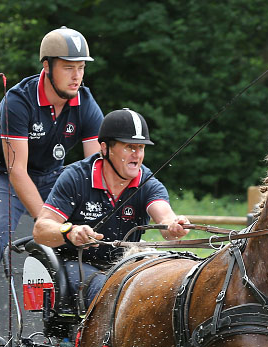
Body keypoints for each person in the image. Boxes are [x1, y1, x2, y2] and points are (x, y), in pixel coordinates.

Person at [0, 26, 103, 341]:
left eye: (81, 68)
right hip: (1, 174)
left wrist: (85, 221)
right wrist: (50, 223)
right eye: (68, 67)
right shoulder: (18, 101)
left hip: (52, 174)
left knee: (94, 231)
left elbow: (93, 166)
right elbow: (18, 172)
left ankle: (74, 329)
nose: (76, 76)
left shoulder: (84, 101)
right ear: (47, 66)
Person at [32, 108, 190, 306]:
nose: (137, 155)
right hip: (78, 264)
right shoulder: (76, 177)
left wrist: (174, 225)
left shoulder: (147, 182)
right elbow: (40, 229)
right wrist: (70, 232)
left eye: (141, 148)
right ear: (105, 149)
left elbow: (165, 220)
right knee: (113, 290)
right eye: (129, 147)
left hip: (127, 266)